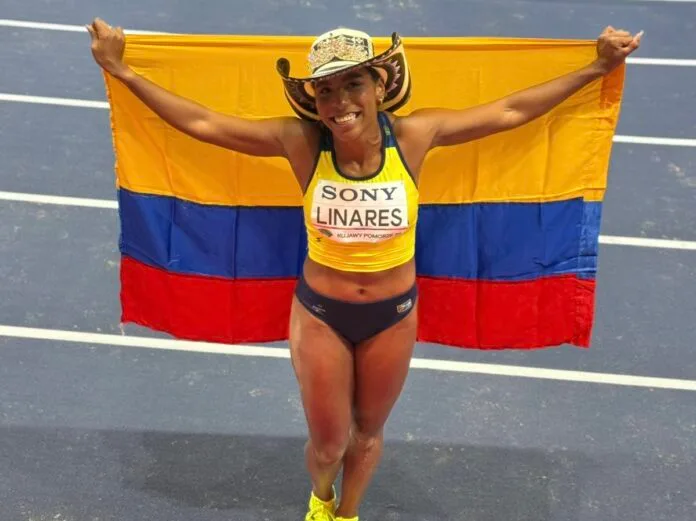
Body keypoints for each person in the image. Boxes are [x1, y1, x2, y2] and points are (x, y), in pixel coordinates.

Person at [86, 19, 642, 521]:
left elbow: (510, 112)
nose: (340, 102)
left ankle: (347, 515)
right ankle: (321, 497)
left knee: (370, 433)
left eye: (353, 84)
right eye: (325, 90)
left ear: (380, 85)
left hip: (393, 315)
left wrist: (597, 67)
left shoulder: (415, 136)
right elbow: (205, 122)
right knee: (329, 444)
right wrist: (122, 71)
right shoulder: (301, 142)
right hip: (321, 315)